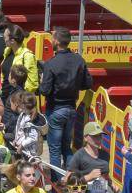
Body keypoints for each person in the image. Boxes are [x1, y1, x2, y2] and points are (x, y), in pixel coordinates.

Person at [38, 26, 92, 171]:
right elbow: (87, 84)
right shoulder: (79, 60)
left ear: (56, 40)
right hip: (71, 109)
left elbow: (44, 90)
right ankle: (70, 181)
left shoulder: (51, 63)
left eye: (52, 38)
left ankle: (58, 185)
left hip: (56, 109)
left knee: (55, 150)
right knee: (66, 147)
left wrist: (42, 80)